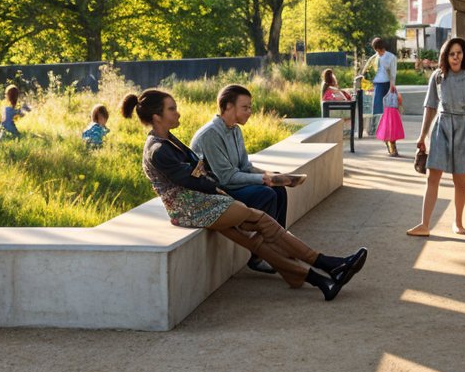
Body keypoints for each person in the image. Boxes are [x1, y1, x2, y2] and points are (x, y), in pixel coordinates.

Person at [123, 89, 361, 297]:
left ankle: (320, 281)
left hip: (199, 203)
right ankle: (328, 264)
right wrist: (219, 192)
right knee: (261, 220)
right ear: (157, 116)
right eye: (172, 109)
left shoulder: (167, 140)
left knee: (255, 240)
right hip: (192, 208)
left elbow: (198, 175)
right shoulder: (157, 149)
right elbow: (192, 181)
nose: (178, 113)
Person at [192, 84, 308, 270]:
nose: (249, 112)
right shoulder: (210, 135)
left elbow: (244, 167)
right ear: (228, 106)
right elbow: (226, 178)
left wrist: (271, 176)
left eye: (250, 108)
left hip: (232, 184)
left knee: (279, 188)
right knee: (266, 194)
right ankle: (261, 255)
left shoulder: (235, 130)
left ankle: (279, 243)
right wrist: (263, 180)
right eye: (245, 107)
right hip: (218, 192)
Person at [411, 39, 465, 236]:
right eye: (451, 54)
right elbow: (430, 107)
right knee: (433, 177)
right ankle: (424, 224)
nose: (456, 57)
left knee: (460, 180)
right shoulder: (437, 77)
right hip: (441, 128)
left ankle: (458, 223)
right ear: (445, 56)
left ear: (464, 55)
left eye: (459, 53)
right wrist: (422, 136)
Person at [367, 38, 400, 135]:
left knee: (388, 106)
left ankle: (387, 128)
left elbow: (393, 73)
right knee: (376, 106)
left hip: (386, 83)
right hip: (377, 83)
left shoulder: (391, 57)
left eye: (380, 49)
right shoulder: (374, 58)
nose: (379, 52)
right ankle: (375, 127)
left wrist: (392, 85)